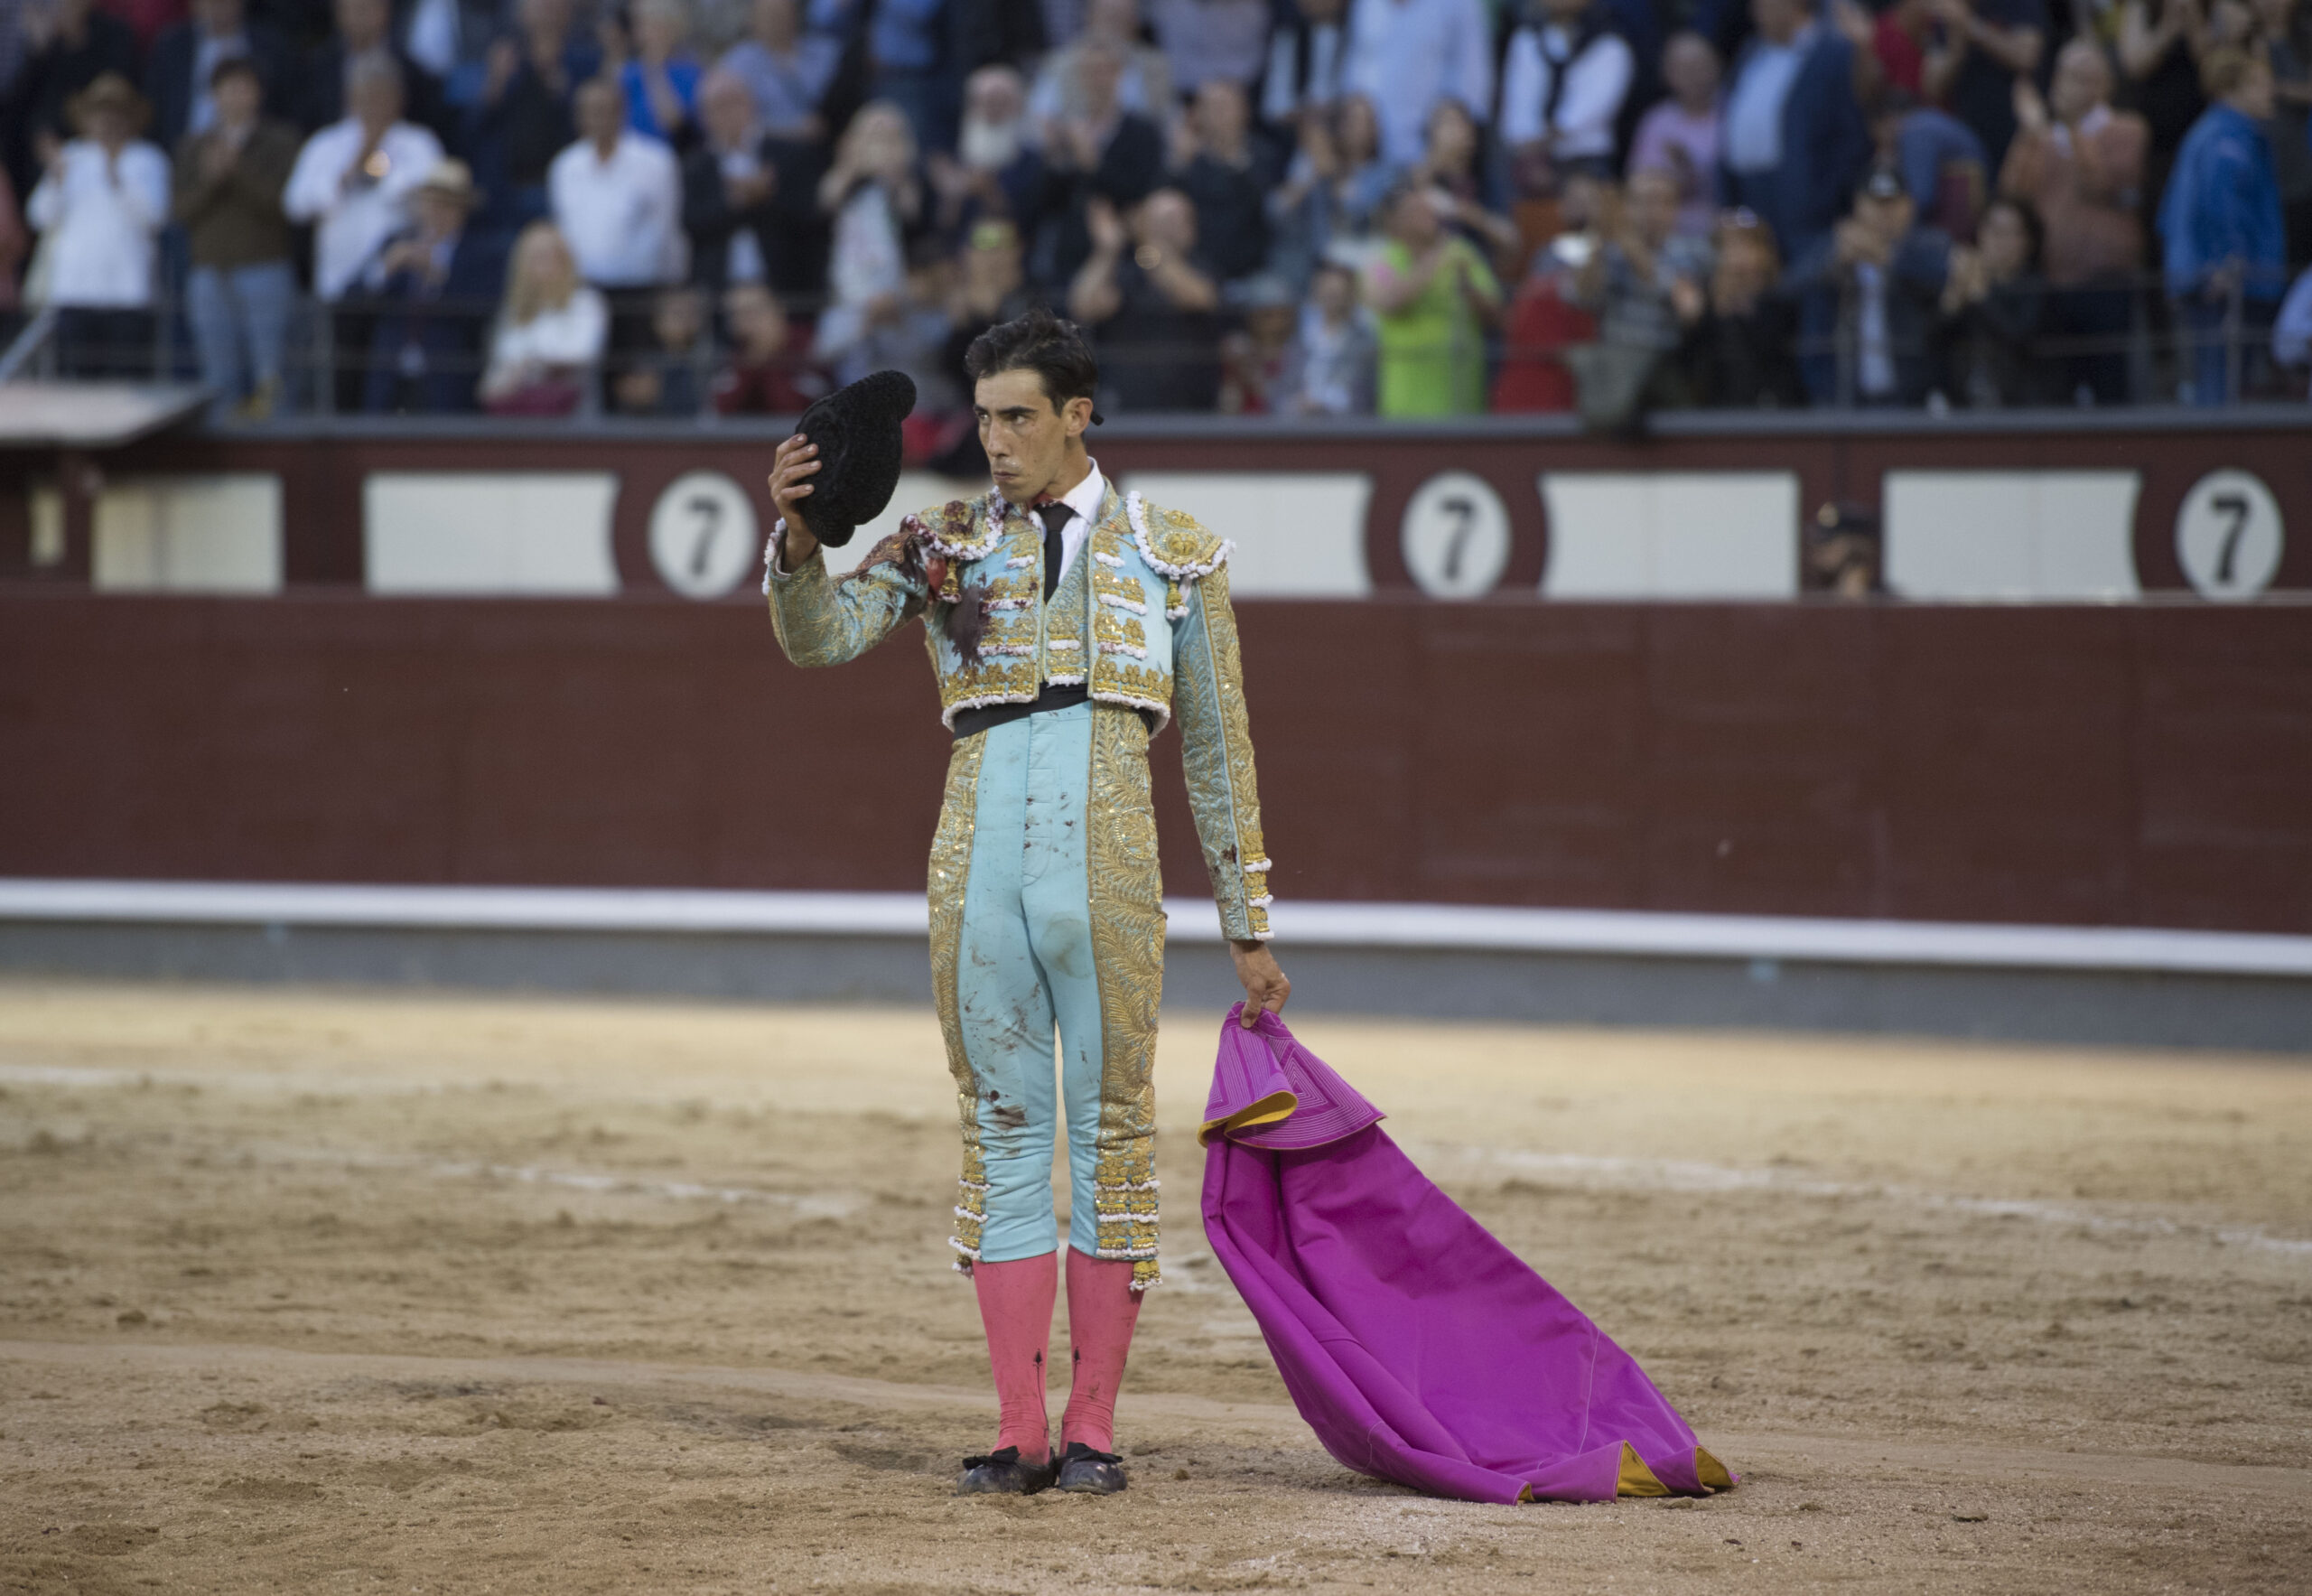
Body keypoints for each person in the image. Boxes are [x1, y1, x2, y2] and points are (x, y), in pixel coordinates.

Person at [762, 303, 1288, 1498]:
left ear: (1076, 417)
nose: (993, 440)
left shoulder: (1176, 549)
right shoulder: (941, 539)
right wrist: (797, 535)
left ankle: (1094, 1425)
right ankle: (1021, 1427)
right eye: (983, 416)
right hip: (977, 863)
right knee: (1002, 1132)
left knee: (1108, 1139)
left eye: (1016, 417)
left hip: (1108, 869)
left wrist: (1247, 925)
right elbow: (821, 636)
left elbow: (1218, 748)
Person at [1999, 38, 2149, 403]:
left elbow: (2098, 185)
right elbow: (2012, 193)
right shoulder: (2044, 138)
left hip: (2106, 282)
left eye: (2084, 78)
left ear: (2105, 85)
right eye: (2067, 76)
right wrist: (2029, 134)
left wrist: (2070, 128)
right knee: (2057, 388)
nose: (2072, 87)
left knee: (2111, 388)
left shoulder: (2127, 130)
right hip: (2052, 283)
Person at [172, 55, 300, 417]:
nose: (235, 97)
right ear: (214, 96)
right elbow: (180, 212)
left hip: (266, 269)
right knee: (218, 377)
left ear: (257, 94)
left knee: (271, 374)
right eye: (227, 88)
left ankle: (279, 456)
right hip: (209, 271)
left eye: (243, 87)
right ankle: (224, 460)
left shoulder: (280, 141)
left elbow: (284, 206)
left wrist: (238, 170)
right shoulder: (193, 147)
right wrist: (212, 179)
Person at [2158, 47, 2287, 402]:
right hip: (2222, 281)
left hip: (2206, 275)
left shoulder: (2214, 132)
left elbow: (2169, 214)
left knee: (2221, 379)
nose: (2271, 92)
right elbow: (2218, 207)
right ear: (2233, 90)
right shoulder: (2227, 139)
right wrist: (2225, 263)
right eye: (2260, 84)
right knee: (2222, 386)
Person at [25, 71, 169, 378]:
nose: (107, 122)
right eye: (100, 114)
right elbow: (39, 216)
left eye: (116, 114)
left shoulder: (148, 159)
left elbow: (155, 217)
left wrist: (116, 173)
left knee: (128, 382)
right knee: (77, 382)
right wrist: (55, 178)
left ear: (130, 118)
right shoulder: (70, 157)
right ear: (86, 119)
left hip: (128, 291)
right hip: (75, 290)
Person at [1720, 0, 1871, 265]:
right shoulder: (1751, 51)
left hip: (1808, 203)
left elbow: (1850, 135)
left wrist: (1827, 198)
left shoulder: (1835, 53)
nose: (1756, 11)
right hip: (1750, 194)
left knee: (1808, 288)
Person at [1787, 164, 1953, 405]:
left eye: (1893, 202)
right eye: (1876, 203)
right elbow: (1787, 289)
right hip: (1841, 399)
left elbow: (1945, 280)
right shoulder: (1831, 246)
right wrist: (1834, 261)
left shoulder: (1930, 245)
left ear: (1910, 205)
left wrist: (1891, 257)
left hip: (1914, 397)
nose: (1884, 212)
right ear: (1858, 205)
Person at [362, 157, 507, 413]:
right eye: (430, 203)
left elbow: (482, 312)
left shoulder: (480, 256)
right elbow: (352, 301)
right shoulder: (395, 243)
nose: (436, 212)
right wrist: (384, 269)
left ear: (463, 211)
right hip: (390, 379)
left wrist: (437, 277)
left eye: (447, 205)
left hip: (446, 381)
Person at [1068, 188, 1226, 409]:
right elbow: (1083, 306)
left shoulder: (1203, 267)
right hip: (1131, 409)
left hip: (1193, 410)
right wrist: (1107, 251)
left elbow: (1198, 298)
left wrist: (1151, 243)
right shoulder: (1128, 272)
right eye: (1161, 220)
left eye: (1175, 219)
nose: (1167, 228)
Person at [1025, 37, 1164, 286]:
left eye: (1105, 70)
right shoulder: (1067, 131)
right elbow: (1047, 202)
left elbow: (1140, 190)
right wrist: (1054, 157)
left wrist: (1093, 162)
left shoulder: (1142, 131)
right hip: (1072, 246)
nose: (1098, 79)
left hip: (1127, 246)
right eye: (1090, 71)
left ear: (1119, 75)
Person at [684, 64, 828, 295]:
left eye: (734, 102)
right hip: (720, 292)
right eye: (717, 106)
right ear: (704, 116)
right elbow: (692, 224)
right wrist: (736, 203)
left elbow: (813, 214)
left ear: (752, 103)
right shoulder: (696, 167)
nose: (727, 113)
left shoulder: (790, 154)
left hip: (785, 288)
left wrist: (768, 195)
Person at [1364, 176, 1501, 415]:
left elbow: (1496, 316)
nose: (1428, 214)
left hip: (1461, 399)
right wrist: (1436, 259)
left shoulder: (1462, 253)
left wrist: (1469, 288)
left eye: (1428, 208)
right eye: (1415, 210)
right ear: (1394, 222)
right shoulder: (1383, 262)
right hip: (1405, 404)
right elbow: (1388, 301)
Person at [549, 75, 686, 292]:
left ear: (620, 111)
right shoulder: (565, 166)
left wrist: (672, 284)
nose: (595, 118)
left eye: (602, 109)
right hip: (583, 290)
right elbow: (562, 227)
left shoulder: (656, 162)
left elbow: (667, 228)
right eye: (588, 110)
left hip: (642, 289)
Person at [469, 0, 601, 223]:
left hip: (567, 182)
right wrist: (496, 83)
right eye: (539, 4)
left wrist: (564, 90)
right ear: (521, 13)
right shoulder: (505, 57)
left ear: (568, 13)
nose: (546, 10)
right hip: (508, 186)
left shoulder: (585, 61)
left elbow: (596, 124)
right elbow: (473, 129)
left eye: (553, 5)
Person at [1499, 0, 1636, 198]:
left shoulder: (1609, 39)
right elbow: (1517, 98)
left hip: (1585, 156)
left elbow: (1598, 102)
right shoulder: (1526, 37)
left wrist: (1554, 133)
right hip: (1530, 157)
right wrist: (1527, 146)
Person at [1674, 206, 1804, 405]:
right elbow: (1691, 361)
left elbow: (1777, 354)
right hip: (1718, 413)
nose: (1739, 258)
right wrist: (1713, 312)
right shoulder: (1705, 307)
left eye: (1748, 245)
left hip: (1779, 410)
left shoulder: (1781, 300)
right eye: (1730, 246)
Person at [1343, 0, 1494, 167]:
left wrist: (1448, 143)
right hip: (1371, 158)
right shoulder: (1365, 5)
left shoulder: (1459, 4)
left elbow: (1473, 83)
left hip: (1433, 157)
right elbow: (1354, 72)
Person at [479, 219, 607, 412]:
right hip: (516, 417)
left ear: (565, 259)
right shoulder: (512, 311)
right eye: (533, 258)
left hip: (570, 417)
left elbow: (583, 354)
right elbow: (495, 374)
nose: (541, 265)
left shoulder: (585, 302)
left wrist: (529, 365)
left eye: (548, 256)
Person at [144, 0, 292, 152]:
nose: (216, 7)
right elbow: (154, 106)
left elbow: (288, 105)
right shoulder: (172, 45)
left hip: (259, 153)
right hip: (182, 155)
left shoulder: (271, 46)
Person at [1940, 192, 2045, 403]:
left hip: (2022, 409)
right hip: (1962, 407)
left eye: (2008, 232)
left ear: (2028, 241)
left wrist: (1981, 294)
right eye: (1992, 229)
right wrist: (1953, 297)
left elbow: (2019, 337)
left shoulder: (2038, 288)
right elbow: (1933, 342)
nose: (1998, 240)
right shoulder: (1966, 282)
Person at [1920, 0, 2046, 173]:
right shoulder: (1948, 12)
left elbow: (2026, 56)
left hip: (2019, 128)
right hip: (1969, 130)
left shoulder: (2018, 4)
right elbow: (1931, 87)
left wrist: (1971, 26)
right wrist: (1956, 47)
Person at [300, 0, 451, 142]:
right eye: (352, 9)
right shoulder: (318, 67)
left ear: (385, 10)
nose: (358, 17)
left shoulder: (413, 73)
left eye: (364, 8)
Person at [1170, 79, 1273, 286]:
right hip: (1199, 272)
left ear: (1244, 111)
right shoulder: (1188, 162)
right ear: (1198, 115)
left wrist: (1234, 160)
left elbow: (1268, 210)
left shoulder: (1264, 154)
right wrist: (1178, 166)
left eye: (1225, 107)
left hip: (1256, 272)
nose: (1218, 115)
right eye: (1210, 107)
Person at [928, 63, 1045, 237]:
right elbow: (942, 226)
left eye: (1002, 103)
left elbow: (1027, 221)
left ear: (1018, 108)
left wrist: (987, 189)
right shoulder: (952, 158)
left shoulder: (1032, 160)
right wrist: (952, 195)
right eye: (987, 102)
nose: (993, 111)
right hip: (960, 251)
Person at [1626, 31, 1723, 238]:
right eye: (1684, 69)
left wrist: (1690, 167)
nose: (1694, 76)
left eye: (1700, 66)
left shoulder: (1732, 114)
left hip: (1721, 232)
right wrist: (1681, 174)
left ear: (1716, 66)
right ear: (1668, 74)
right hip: (1666, 236)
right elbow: (1641, 183)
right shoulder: (1657, 121)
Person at [1029, 0, 1171, 127]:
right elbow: (1036, 125)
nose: (1112, 26)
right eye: (1107, 17)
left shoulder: (1155, 67)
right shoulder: (1059, 64)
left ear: (1135, 21)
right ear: (1089, 16)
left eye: (1120, 17)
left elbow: (1168, 125)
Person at [717, 0, 842, 137]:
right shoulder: (737, 63)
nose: (776, 20)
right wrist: (794, 130)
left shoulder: (827, 52)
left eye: (783, 13)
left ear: (795, 14)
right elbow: (733, 121)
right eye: (769, 15)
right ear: (752, 19)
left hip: (829, 141)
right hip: (770, 148)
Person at [710, 278, 825, 411]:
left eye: (753, 312)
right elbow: (721, 412)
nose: (746, 321)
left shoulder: (810, 344)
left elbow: (800, 411)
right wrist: (752, 362)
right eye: (737, 314)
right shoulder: (731, 355)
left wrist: (770, 360)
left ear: (779, 309)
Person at [1282, 257, 1375, 411]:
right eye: (1327, 292)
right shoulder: (1300, 337)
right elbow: (1285, 388)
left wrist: (1323, 404)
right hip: (1298, 424)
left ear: (1350, 295)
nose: (1331, 299)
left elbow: (1363, 396)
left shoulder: (1364, 342)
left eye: (1337, 294)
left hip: (1341, 427)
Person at [612, 0, 704, 149]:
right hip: (630, 154)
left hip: (672, 153)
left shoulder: (690, 73)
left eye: (650, 25)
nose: (641, 32)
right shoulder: (628, 72)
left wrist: (655, 67)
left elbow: (673, 123)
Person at [612, 283, 710, 414]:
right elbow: (625, 394)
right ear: (657, 321)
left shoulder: (712, 358)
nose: (686, 320)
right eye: (677, 314)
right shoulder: (645, 361)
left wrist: (661, 392)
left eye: (692, 312)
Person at [1148, 0, 1273, 100]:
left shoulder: (1251, 9)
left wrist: (1221, 85)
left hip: (1238, 94)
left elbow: (1253, 63)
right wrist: (1207, 87)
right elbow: (1172, 61)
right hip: (1183, 96)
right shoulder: (1169, 6)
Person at [1261, 0, 1348, 133]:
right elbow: (1275, 104)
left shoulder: (1355, 36)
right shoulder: (1289, 36)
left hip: (1339, 127)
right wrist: (1303, 114)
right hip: (1295, 131)